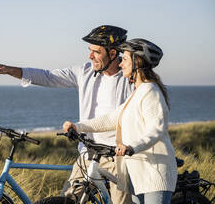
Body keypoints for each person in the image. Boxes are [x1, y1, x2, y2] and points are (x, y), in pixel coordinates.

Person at [0, 25, 134, 203]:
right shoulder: (85, 72)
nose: (90, 55)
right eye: (90, 50)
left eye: (96, 52)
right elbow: (47, 76)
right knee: (67, 200)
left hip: (118, 159)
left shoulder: (130, 78)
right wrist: (7, 69)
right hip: (87, 155)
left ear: (113, 53)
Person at [63, 38, 177, 204]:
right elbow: (111, 118)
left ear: (136, 62)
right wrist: (78, 126)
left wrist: (132, 147)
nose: (121, 64)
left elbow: (156, 130)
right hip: (137, 175)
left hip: (154, 172)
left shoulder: (150, 90)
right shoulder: (137, 92)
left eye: (124, 59)